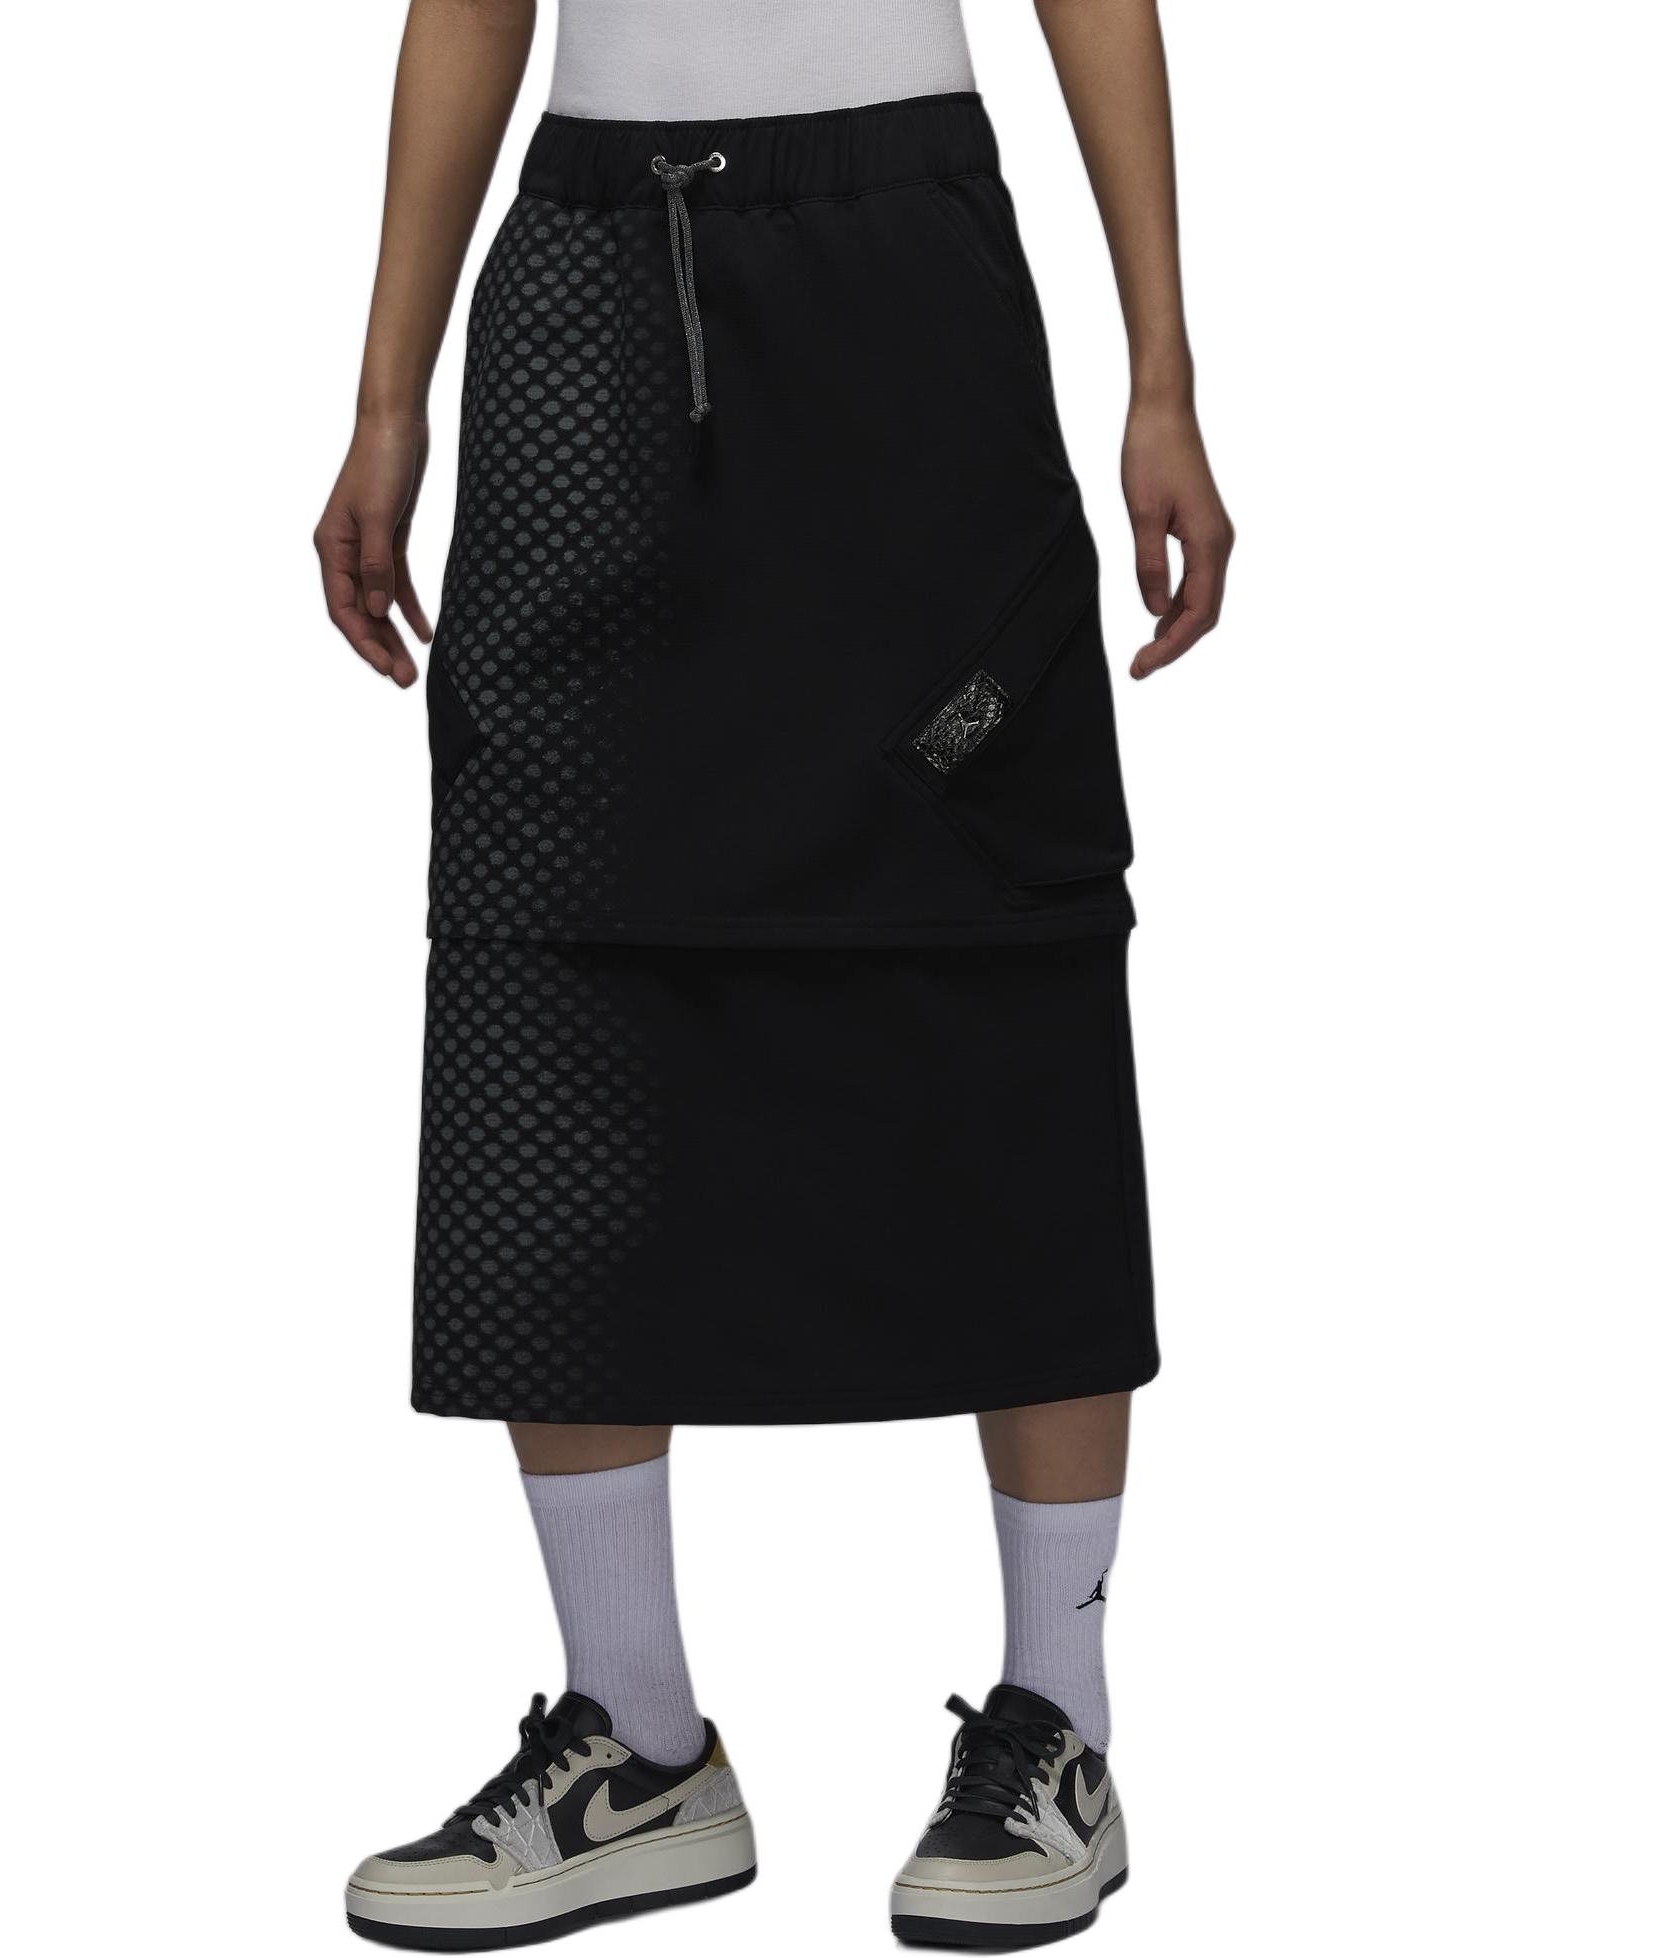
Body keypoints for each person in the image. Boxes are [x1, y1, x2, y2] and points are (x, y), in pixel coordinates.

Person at [314, 2, 1232, 1947]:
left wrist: (1161, 367)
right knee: (543, 961)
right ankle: (635, 1741)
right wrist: (387, 392)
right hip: (579, 277)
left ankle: (1059, 1719)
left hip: (905, 263)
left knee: (999, 935)